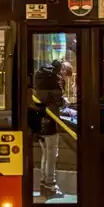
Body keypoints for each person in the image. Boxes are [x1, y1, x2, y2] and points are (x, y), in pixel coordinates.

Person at [34, 59, 73, 199]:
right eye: (67, 77)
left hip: (39, 120)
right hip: (50, 122)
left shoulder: (43, 75)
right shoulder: (54, 78)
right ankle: (50, 184)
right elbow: (55, 100)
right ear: (63, 71)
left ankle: (44, 183)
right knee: (51, 155)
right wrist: (64, 102)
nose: (66, 80)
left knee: (45, 154)